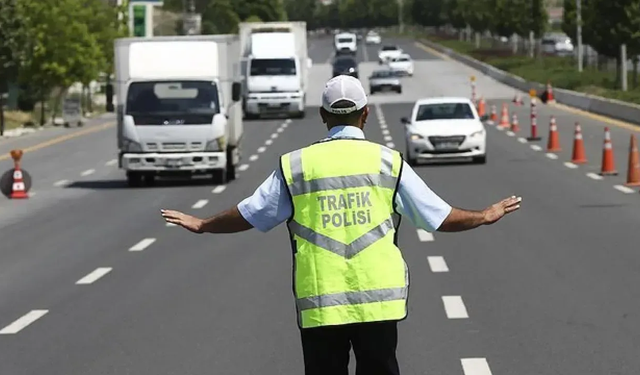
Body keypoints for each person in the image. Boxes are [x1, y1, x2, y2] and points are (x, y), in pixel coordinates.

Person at [161, 75, 522, 375]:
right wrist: (483, 215)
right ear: (366, 114)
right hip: (379, 303)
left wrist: (204, 223)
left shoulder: (297, 165)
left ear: (323, 115)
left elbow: (252, 213)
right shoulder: (387, 162)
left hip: (321, 304)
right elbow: (438, 216)